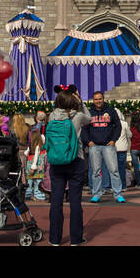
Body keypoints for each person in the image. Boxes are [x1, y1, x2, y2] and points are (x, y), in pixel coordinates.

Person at [45, 87, 92, 246]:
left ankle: (55, 239)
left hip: (56, 161)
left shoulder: (52, 116)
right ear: (73, 101)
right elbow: (90, 119)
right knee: (75, 202)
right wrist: (81, 102)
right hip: (75, 160)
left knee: (56, 201)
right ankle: (76, 239)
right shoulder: (78, 116)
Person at [83, 91, 124, 203]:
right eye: (96, 99)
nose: (98, 101)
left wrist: (113, 140)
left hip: (108, 146)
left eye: (100, 99)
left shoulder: (111, 110)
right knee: (96, 172)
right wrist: (88, 142)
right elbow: (84, 129)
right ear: (93, 100)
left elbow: (118, 126)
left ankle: (118, 194)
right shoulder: (89, 112)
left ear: (103, 98)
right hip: (94, 146)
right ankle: (96, 194)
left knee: (114, 170)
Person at [113, 106, 132, 190]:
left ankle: (115, 186)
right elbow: (130, 135)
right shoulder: (124, 124)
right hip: (122, 148)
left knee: (114, 169)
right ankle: (123, 186)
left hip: (113, 148)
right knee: (122, 168)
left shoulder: (112, 124)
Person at [128, 112, 140, 188]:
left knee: (136, 167)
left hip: (134, 149)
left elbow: (130, 137)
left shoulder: (131, 129)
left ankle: (138, 183)